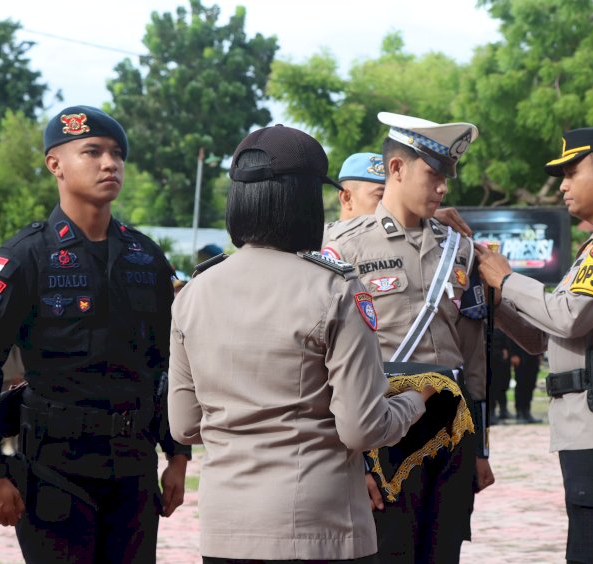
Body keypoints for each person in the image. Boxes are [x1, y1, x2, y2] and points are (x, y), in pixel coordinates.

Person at [167, 124, 434, 563]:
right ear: (305, 201)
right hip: (320, 528)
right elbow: (362, 427)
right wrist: (414, 401)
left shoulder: (195, 292)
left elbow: (184, 425)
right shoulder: (335, 290)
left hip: (226, 531)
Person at [0, 105, 191, 563]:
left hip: (133, 473)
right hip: (53, 473)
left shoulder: (145, 257)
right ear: (55, 164)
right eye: (93, 152)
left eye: (117, 154)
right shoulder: (26, 258)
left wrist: (178, 455)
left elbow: (171, 365)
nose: (111, 164)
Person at [476, 126, 593, 563]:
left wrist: (507, 279)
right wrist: (496, 299)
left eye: (571, 171)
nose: (562, 184)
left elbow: (568, 316)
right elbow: (541, 337)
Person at [323, 112, 495, 564]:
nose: (442, 188)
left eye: (446, 178)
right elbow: (326, 363)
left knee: (445, 552)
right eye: (433, 175)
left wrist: (480, 447)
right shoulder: (344, 247)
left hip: (451, 424)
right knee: (389, 551)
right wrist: (353, 461)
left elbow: (475, 356)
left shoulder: (459, 248)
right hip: (384, 426)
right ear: (397, 169)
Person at [323, 152, 473, 259]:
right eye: (381, 196)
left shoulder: (407, 240)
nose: (388, 205)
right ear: (347, 198)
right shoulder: (322, 241)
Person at [510, 341, 542, 424]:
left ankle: (527, 411)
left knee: (530, 384)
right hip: (520, 355)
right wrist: (513, 354)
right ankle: (519, 412)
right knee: (521, 384)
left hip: (533, 355)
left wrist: (540, 355)